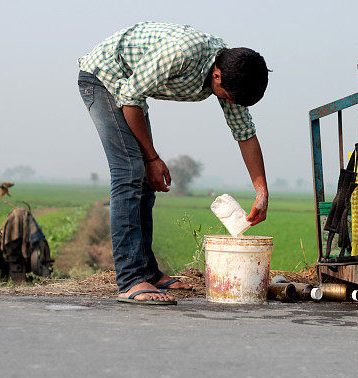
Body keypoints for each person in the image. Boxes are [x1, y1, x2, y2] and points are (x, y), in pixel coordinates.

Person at [77, 22, 270, 305]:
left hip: (130, 91)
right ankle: (130, 280)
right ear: (217, 76)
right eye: (228, 96)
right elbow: (129, 101)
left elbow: (245, 134)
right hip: (103, 78)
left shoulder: (231, 73)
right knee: (130, 171)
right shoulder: (182, 53)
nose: (230, 102)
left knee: (144, 179)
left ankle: (148, 273)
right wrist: (152, 158)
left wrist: (261, 191)